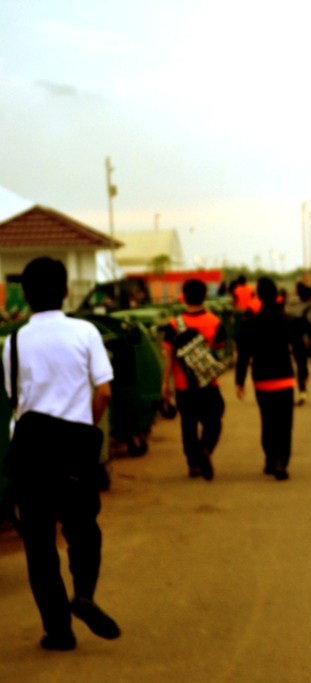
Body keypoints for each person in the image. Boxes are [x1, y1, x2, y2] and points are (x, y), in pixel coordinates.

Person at [2, 257, 121, 651]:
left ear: (25, 294)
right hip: (73, 451)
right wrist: (87, 425)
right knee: (83, 529)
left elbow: (15, 400)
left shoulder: (12, 343)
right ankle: (83, 594)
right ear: (67, 291)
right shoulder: (85, 332)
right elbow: (104, 391)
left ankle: (58, 631)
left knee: (39, 545)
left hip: (31, 453)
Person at [161, 278, 226, 480]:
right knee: (214, 422)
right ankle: (205, 449)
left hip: (184, 386)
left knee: (188, 425)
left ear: (184, 297)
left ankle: (193, 463)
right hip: (208, 383)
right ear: (205, 296)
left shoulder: (174, 324)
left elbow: (168, 356)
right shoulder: (214, 321)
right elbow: (220, 346)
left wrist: (165, 383)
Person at [234, 277, 296, 480]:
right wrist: (304, 373)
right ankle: (282, 462)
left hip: (262, 380)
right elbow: (299, 349)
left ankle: (271, 459)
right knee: (284, 423)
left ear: (258, 297)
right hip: (285, 378)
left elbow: (243, 356)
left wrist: (239, 381)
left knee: (268, 421)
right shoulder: (287, 320)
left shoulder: (249, 324)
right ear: (277, 295)